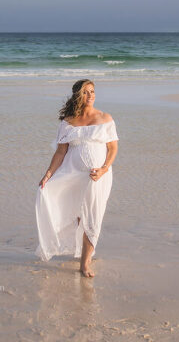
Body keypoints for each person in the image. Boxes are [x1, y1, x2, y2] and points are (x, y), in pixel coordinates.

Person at [35, 79, 119, 277]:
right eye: (85, 92)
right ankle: (82, 251)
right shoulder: (68, 121)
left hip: (97, 176)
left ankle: (85, 263)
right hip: (71, 174)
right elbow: (61, 152)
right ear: (77, 95)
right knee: (78, 215)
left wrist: (104, 169)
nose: (90, 96)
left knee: (93, 216)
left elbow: (113, 148)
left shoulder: (105, 118)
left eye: (92, 91)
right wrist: (48, 174)